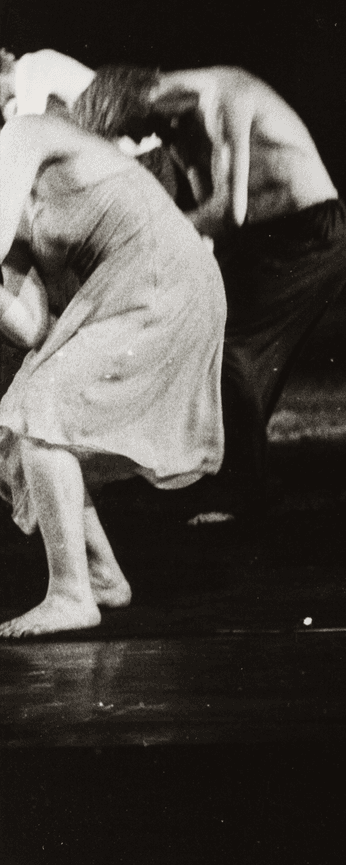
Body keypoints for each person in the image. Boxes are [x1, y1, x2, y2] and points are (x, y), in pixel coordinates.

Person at [74, 66, 346, 524]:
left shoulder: (222, 96)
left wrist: (145, 235)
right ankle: (219, 473)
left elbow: (231, 210)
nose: (141, 140)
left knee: (229, 352)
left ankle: (245, 491)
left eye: (132, 131)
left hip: (309, 238)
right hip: (264, 243)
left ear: (136, 107)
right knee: (197, 339)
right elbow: (211, 219)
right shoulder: (177, 126)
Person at [0, 102, 225, 637]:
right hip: (131, 295)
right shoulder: (13, 218)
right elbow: (30, 327)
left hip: (165, 281)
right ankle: (99, 576)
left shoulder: (25, 135)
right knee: (18, 425)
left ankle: (71, 593)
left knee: (41, 405)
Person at [0, 48, 96, 122]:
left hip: (100, 105)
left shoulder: (27, 68)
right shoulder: (28, 65)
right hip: (95, 109)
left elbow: (28, 125)